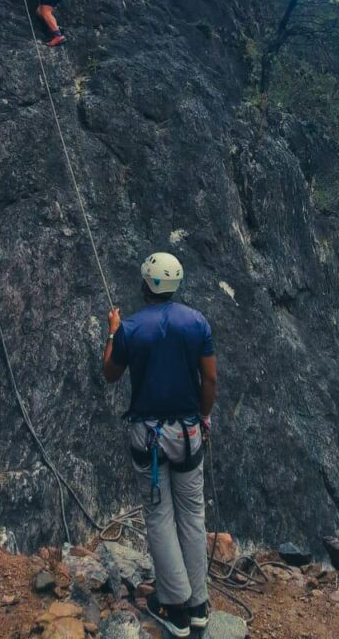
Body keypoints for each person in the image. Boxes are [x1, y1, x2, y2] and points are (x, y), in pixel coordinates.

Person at [102, 253, 218, 638]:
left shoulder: (131, 329)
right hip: (188, 433)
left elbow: (110, 374)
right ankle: (198, 603)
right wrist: (203, 417)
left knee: (159, 515)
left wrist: (112, 331)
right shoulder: (196, 322)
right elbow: (210, 380)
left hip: (149, 436)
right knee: (192, 514)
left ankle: (175, 605)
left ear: (145, 283)